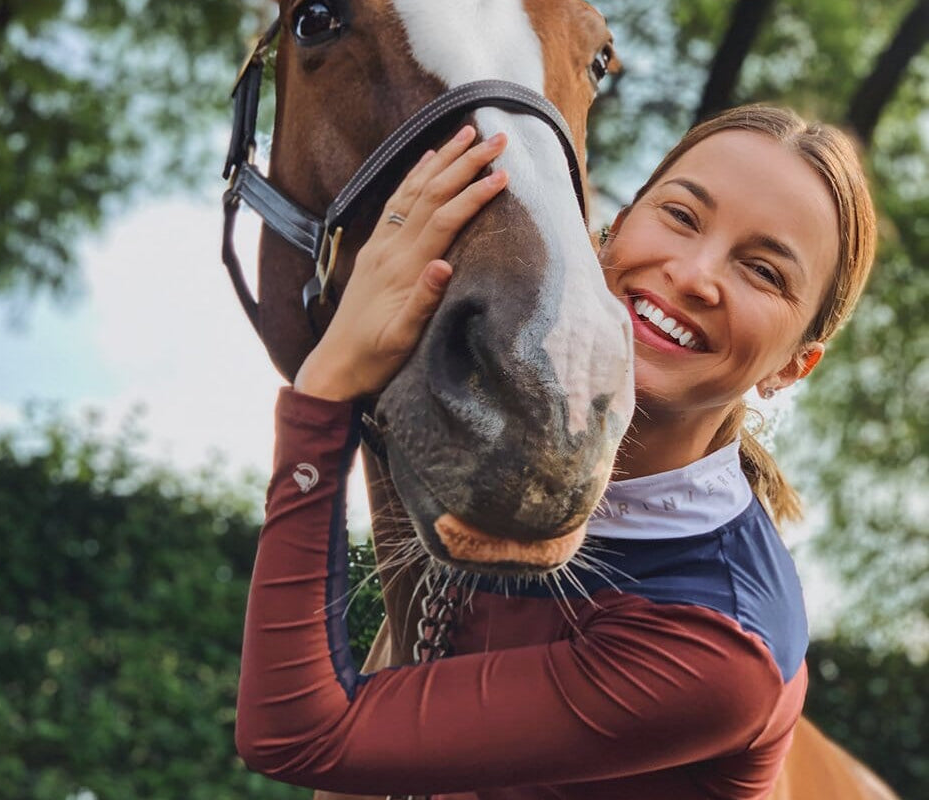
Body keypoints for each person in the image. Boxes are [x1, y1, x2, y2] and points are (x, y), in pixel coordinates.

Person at [234, 105, 877, 799]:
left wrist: (324, 389)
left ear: (792, 367)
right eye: (682, 216)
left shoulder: (722, 644)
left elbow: (300, 735)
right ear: (613, 227)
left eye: (763, 271)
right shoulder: (495, 420)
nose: (693, 273)